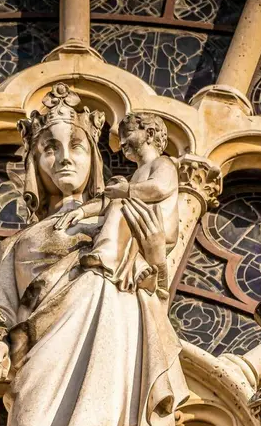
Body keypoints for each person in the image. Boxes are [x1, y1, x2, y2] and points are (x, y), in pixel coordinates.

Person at [0, 84, 188, 426]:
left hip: (108, 325)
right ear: (34, 164)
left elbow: (152, 278)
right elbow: (1, 311)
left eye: (75, 145)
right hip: (39, 352)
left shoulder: (118, 208)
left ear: (94, 157)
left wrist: (153, 253)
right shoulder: (11, 247)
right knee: (32, 424)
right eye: (48, 149)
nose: (63, 158)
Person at [56, 111, 180, 295]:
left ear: (150, 133)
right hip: (134, 224)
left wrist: (127, 191)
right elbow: (106, 198)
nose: (121, 143)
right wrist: (82, 212)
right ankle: (136, 267)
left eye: (128, 133)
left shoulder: (163, 163)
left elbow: (160, 187)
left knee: (118, 205)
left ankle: (105, 255)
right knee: (107, 211)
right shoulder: (133, 176)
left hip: (155, 225)